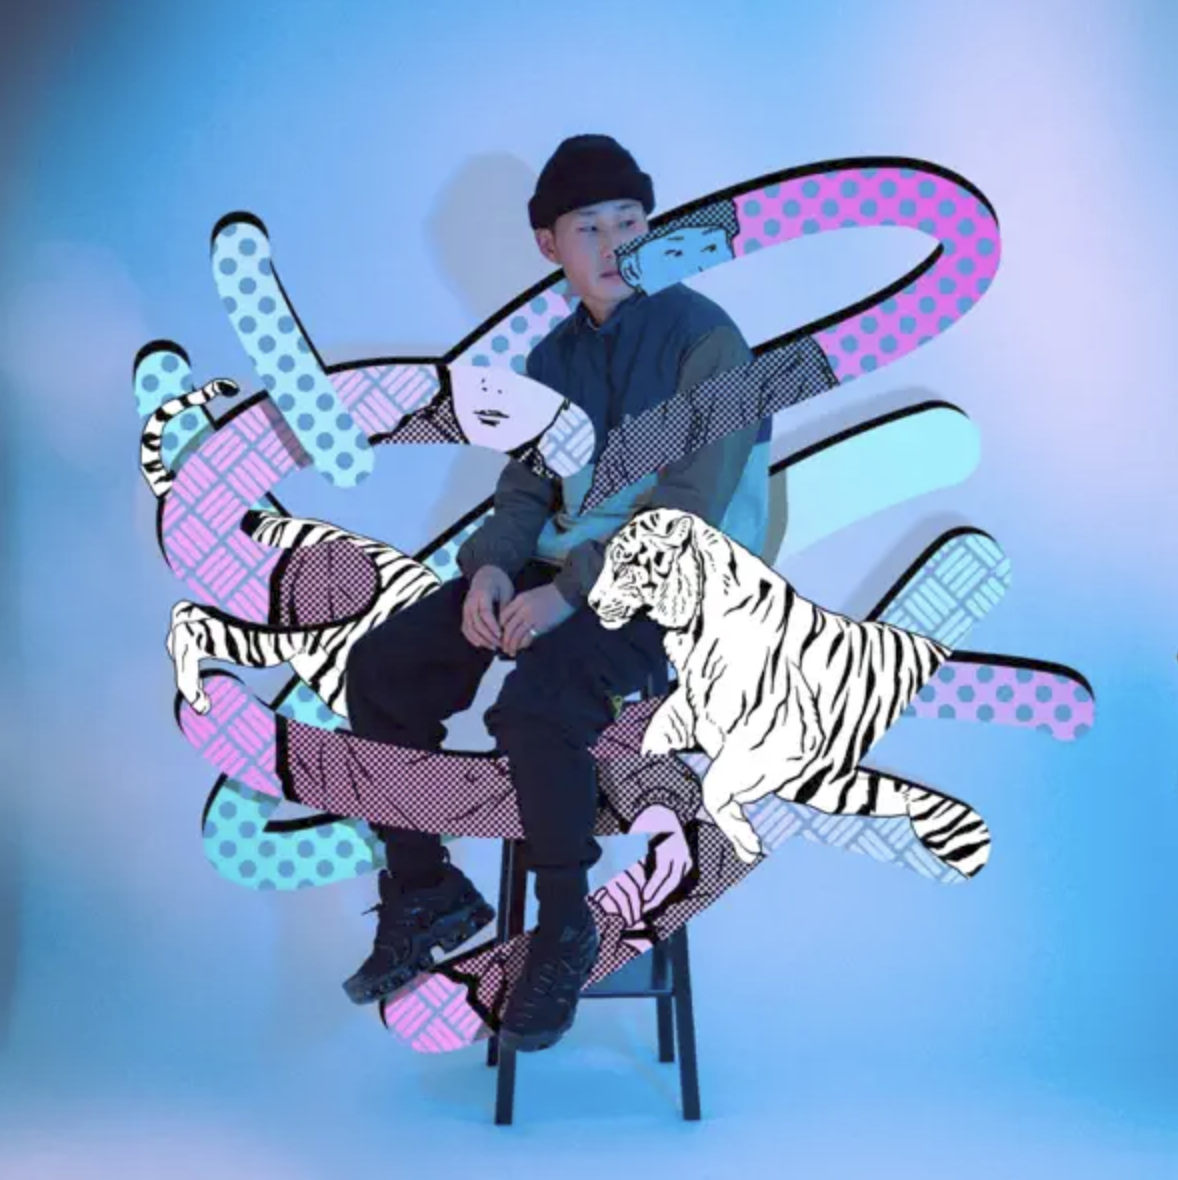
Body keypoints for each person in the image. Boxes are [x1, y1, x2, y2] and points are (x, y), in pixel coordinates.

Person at [342, 133, 763, 1052]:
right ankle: (424, 890)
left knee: (536, 704)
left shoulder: (710, 342)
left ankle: (565, 927)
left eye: (631, 222)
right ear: (549, 246)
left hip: (686, 585)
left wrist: (567, 594)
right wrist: (493, 568)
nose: (614, 244)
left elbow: (689, 507)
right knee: (381, 668)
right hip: (571, 566)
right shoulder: (552, 361)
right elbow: (528, 489)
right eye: (589, 227)